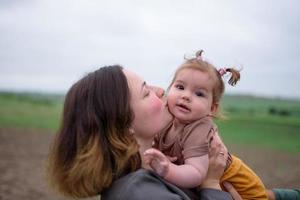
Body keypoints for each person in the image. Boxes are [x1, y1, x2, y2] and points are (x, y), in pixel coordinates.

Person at [47, 65, 239, 199]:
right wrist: (212, 186)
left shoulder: (159, 170)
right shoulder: (139, 193)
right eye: (146, 92)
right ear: (124, 124)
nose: (162, 91)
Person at [144, 50, 268, 199]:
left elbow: (196, 173)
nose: (186, 96)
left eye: (199, 94)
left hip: (244, 190)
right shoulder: (168, 117)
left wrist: (168, 169)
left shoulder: (198, 128)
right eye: (180, 87)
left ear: (212, 108)